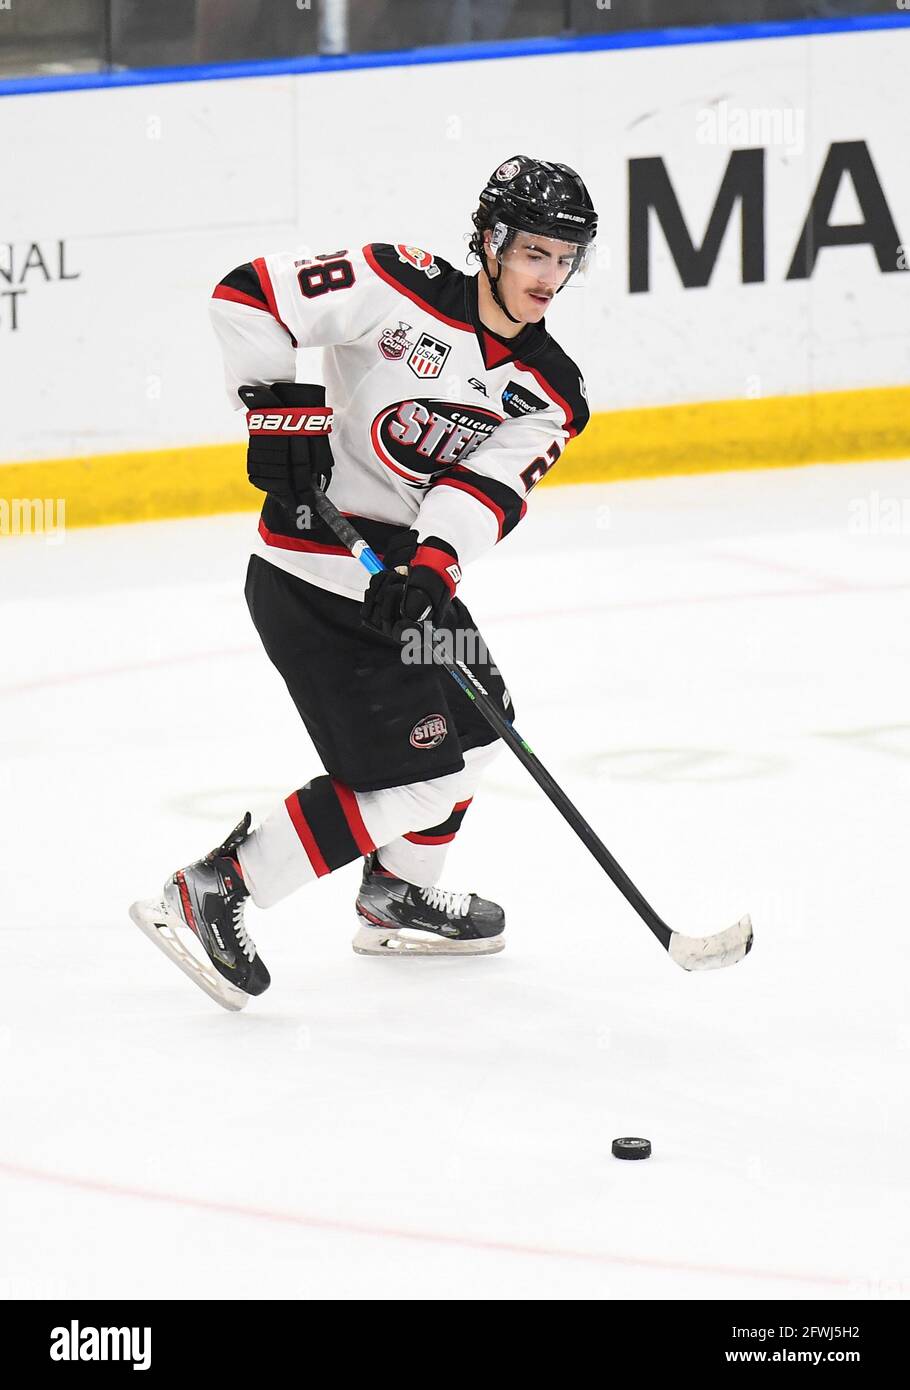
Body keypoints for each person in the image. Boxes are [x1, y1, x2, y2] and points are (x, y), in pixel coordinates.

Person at [131, 155, 597, 1006]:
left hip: (398, 585)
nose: (551, 277)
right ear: (490, 242)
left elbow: (485, 488)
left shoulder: (551, 390)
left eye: (567, 259)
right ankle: (216, 888)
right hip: (312, 572)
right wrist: (278, 407)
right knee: (414, 776)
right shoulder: (396, 282)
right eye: (535, 253)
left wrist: (430, 566)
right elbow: (248, 292)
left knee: (484, 724)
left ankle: (397, 896)